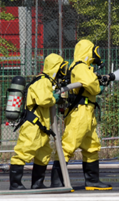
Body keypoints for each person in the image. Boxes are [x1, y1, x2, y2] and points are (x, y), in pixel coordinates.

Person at [51, 39, 113, 190]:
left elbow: (90, 83)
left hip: (87, 111)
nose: (95, 54)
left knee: (92, 146)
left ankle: (92, 181)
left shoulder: (83, 68)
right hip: (80, 112)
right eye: (93, 50)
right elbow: (93, 86)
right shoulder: (80, 67)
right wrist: (101, 84)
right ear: (87, 51)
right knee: (68, 145)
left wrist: (98, 80)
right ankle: (57, 182)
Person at [9, 54, 67, 190]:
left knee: (44, 153)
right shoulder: (43, 81)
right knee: (24, 151)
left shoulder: (48, 82)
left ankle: (37, 183)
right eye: (61, 68)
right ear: (55, 68)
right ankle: (15, 184)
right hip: (32, 126)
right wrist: (55, 98)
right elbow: (44, 100)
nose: (63, 71)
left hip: (41, 126)